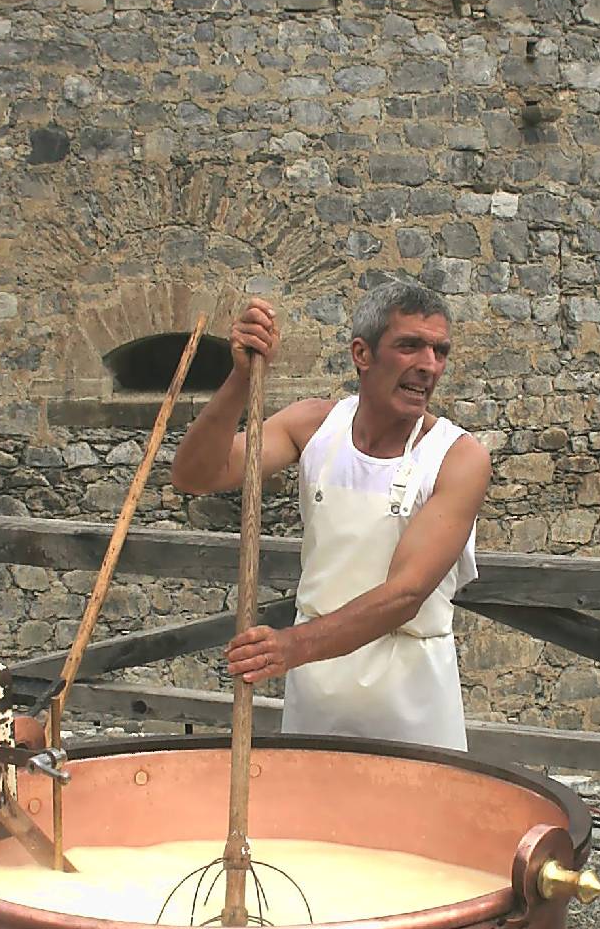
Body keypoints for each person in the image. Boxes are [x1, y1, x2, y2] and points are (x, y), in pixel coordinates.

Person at [171, 276, 490, 750]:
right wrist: (241, 378)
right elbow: (198, 474)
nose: (428, 366)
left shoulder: (458, 457)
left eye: (439, 351)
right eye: (410, 346)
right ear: (362, 354)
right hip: (317, 693)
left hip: (411, 701)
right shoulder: (314, 426)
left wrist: (291, 647)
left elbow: (405, 594)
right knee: (309, 822)